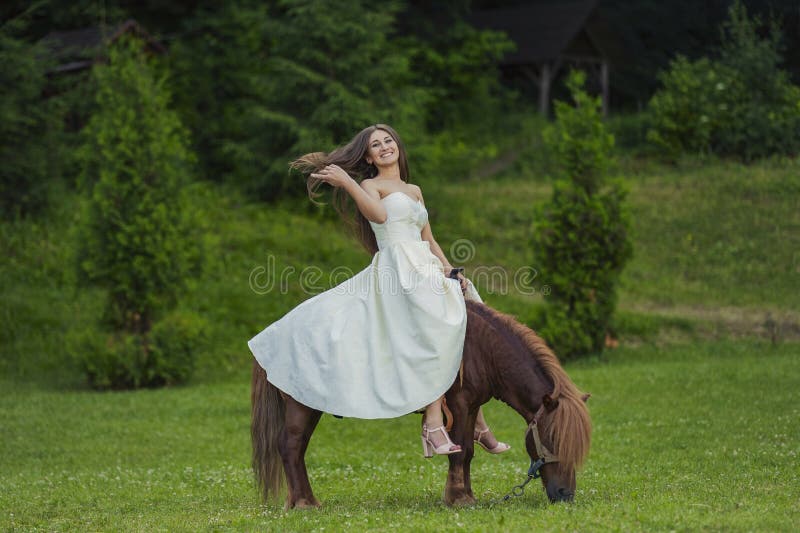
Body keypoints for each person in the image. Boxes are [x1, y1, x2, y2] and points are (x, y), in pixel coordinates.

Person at [247, 124, 509, 457]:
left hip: (423, 263)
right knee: (437, 328)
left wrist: (450, 270)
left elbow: (428, 237)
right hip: (398, 267)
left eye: (388, 140)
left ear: (398, 146)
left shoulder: (414, 189)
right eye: (375, 145)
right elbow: (380, 217)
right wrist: (348, 183)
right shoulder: (370, 185)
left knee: (464, 315)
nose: (384, 147)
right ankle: (433, 423)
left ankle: (477, 425)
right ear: (368, 156)